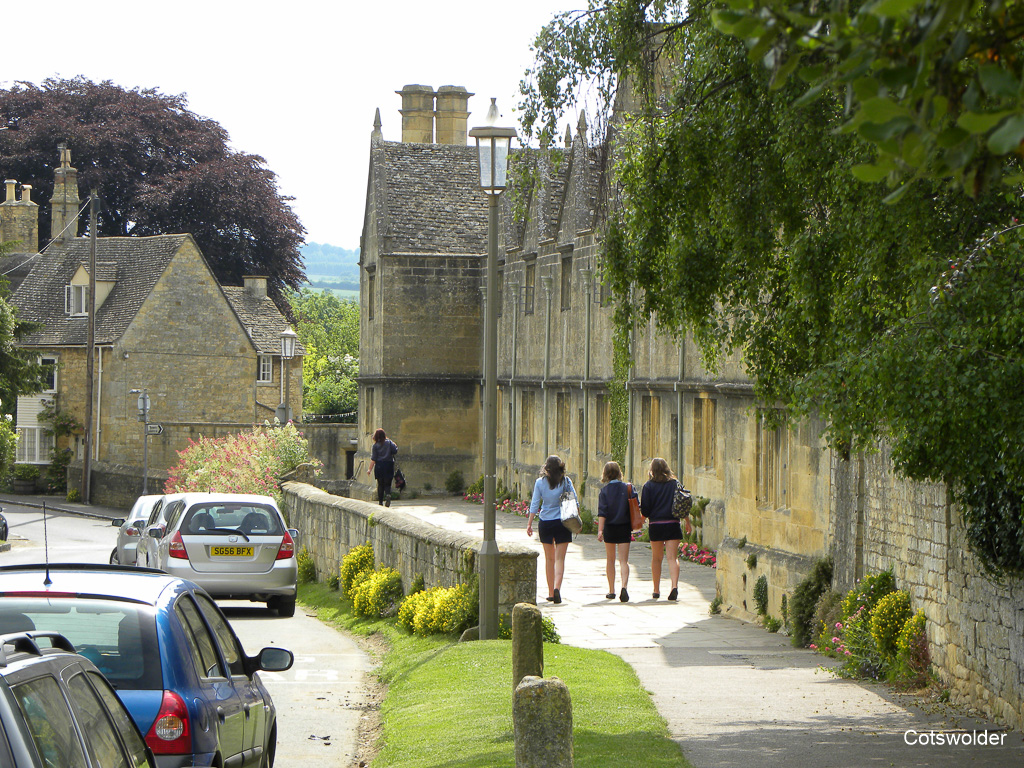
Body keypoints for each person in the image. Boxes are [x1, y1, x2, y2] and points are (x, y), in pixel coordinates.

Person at [526, 455, 576, 604]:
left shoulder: (540, 483)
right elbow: (574, 501)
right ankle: (557, 588)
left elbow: (535, 504)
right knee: (560, 559)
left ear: (546, 468)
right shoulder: (566, 481)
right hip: (563, 522)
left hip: (546, 523)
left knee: (549, 559)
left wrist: (529, 523)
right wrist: (577, 523)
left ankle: (550, 592)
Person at [640, 457, 683, 601]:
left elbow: (645, 509)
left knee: (657, 558)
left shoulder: (648, 486)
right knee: (672, 557)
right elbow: (682, 502)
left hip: (656, 525)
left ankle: (656, 590)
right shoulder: (675, 484)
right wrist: (687, 521)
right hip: (672, 523)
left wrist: (639, 521)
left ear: (652, 470)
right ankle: (674, 586)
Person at [597, 461, 632, 602]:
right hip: (624, 526)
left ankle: (611, 590)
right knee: (624, 560)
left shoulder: (604, 491)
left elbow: (602, 512)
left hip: (610, 527)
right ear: (619, 472)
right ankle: (624, 586)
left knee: (610, 560)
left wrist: (600, 530)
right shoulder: (628, 488)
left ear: (605, 474)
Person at [366, 428, 398, 506]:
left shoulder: (375, 446)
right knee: (387, 484)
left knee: (380, 484)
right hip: (389, 464)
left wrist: (369, 469)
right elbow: (395, 450)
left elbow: (373, 459)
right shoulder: (389, 443)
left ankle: (380, 502)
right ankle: (388, 495)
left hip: (379, 465)